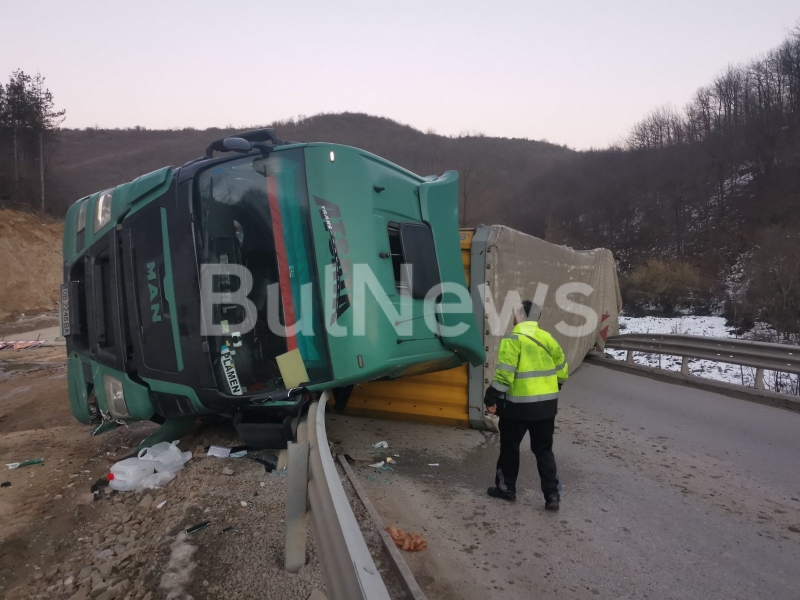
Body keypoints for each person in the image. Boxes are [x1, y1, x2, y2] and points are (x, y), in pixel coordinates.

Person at [484, 300, 568, 510]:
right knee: (544, 450)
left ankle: (506, 489)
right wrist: (550, 388)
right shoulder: (548, 338)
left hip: (516, 408)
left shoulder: (513, 339)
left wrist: (490, 397)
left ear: (520, 316)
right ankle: (552, 497)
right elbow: (562, 371)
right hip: (546, 408)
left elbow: (505, 376)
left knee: (510, 448)